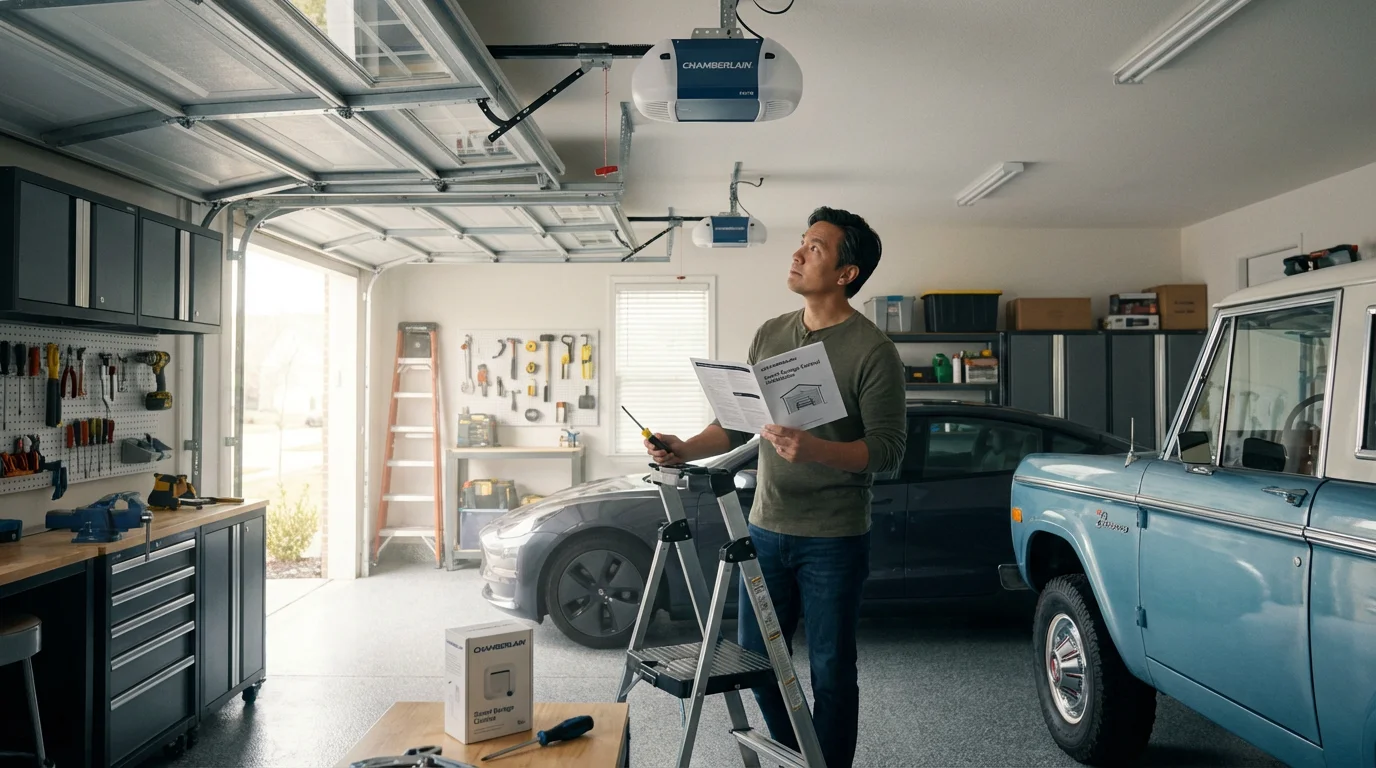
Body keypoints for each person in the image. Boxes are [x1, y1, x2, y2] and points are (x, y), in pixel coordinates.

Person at [645, 206, 906, 768]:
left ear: (846, 274)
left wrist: (815, 448)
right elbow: (738, 420)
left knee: (832, 670)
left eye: (815, 248)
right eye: (802, 242)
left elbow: (888, 451)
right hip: (763, 529)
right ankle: (799, 755)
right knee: (756, 661)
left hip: (833, 538)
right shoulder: (772, 333)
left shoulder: (873, 351)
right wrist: (684, 448)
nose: (798, 253)